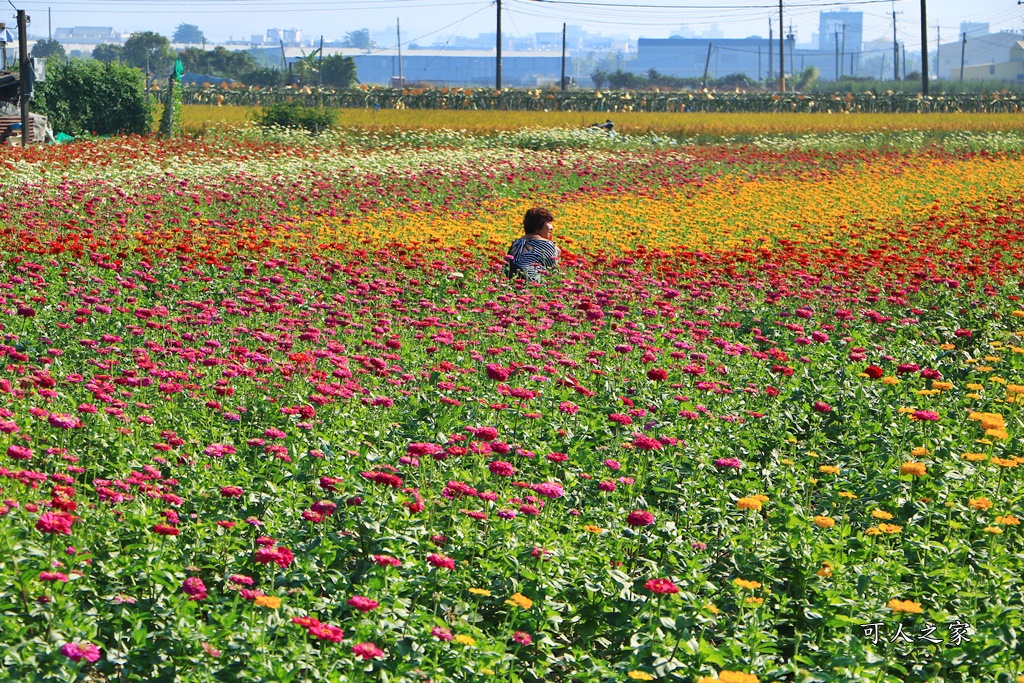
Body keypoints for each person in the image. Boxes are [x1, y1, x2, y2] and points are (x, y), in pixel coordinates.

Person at [505, 207, 560, 283]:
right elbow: (553, 274)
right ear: (538, 226)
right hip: (532, 284)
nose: (552, 228)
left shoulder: (516, 243)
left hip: (509, 283)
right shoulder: (548, 245)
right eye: (549, 223)